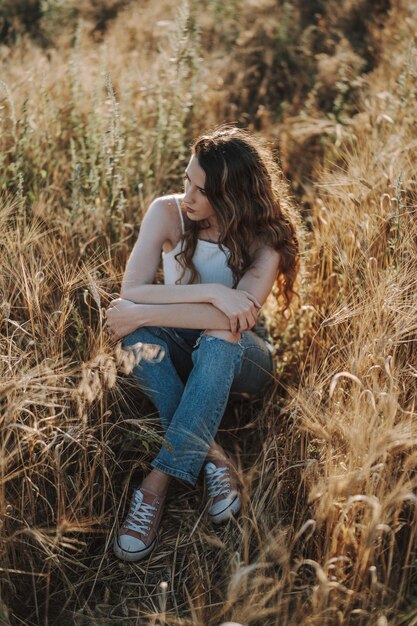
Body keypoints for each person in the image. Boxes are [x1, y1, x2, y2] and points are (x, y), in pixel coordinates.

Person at [106, 126, 300, 562]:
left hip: (244, 357)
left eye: (202, 190)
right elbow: (131, 290)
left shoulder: (266, 238)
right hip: (182, 339)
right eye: (187, 180)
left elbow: (234, 319)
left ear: (234, 196)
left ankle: (156, 484)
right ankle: (212, 456)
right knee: (134, 331)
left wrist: (146, 312)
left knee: (218, 330)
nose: (188, 196)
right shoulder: (167, 213)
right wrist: (213, 292)